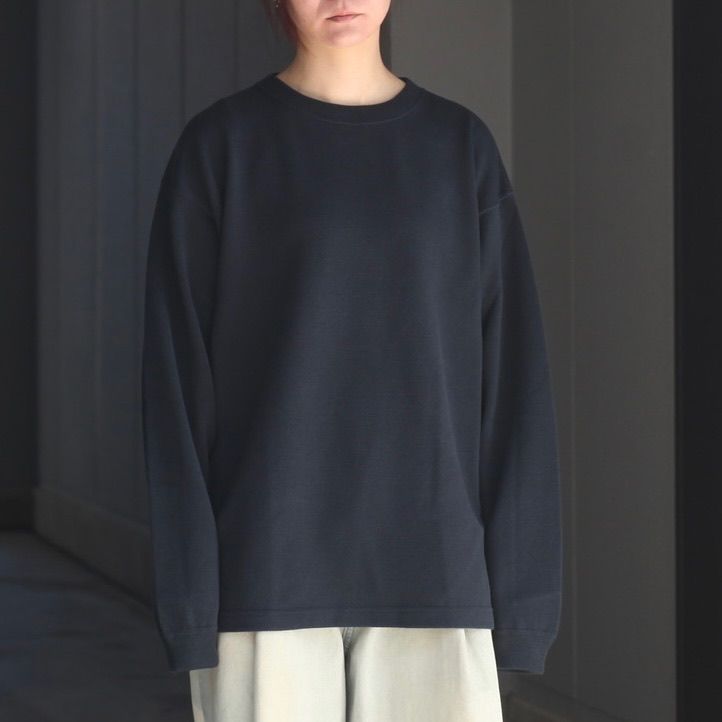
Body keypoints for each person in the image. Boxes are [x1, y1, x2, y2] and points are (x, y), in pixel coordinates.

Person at [140, 0, 563, 720]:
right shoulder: (222, 148)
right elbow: (175, 388)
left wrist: (523, 599)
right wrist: (188, 599)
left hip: (436, 568)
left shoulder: (458, 148)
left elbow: (513, 380)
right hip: (265, 571)